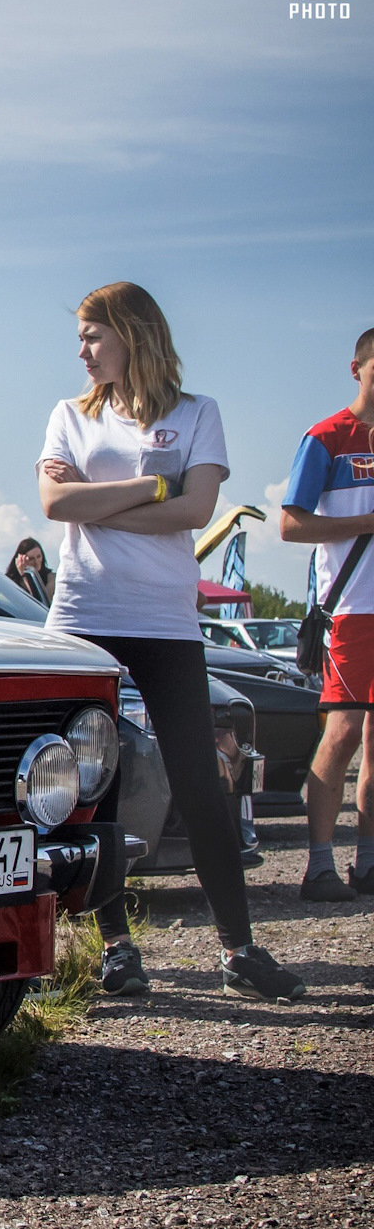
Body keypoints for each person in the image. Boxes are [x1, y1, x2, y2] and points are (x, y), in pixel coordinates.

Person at [38, 280, 304, 1001]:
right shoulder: (70, 416)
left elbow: (195, 507)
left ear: (133, 333)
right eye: (82, 337)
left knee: (199, 781)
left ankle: (239, 949)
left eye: (94, 335)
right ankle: (117, 948)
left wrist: (112, 500)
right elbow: (55, 504)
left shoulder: (197, 415)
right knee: (96, 791)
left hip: (163, 620)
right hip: (83, 615)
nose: (83, 351)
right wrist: (150, 490)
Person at [280, 325, 374, 902]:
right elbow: (291, 525)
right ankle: (318, 865)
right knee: (341, 733)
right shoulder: (327, 437)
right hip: (351, 610)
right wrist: (365, 524)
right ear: (357, 368)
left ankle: (367, 862)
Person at [4, 537, 57, 606]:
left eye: (39, 556)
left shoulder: (51, 578)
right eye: (31, 559)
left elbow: (40, 604)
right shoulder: (9, 581)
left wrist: (25, 577)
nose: (36, 562)